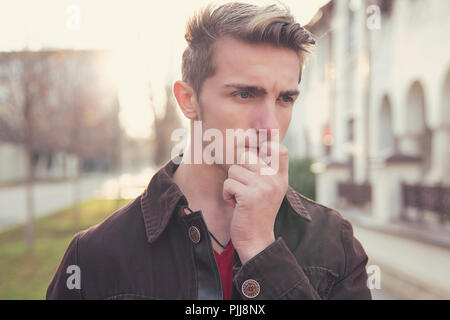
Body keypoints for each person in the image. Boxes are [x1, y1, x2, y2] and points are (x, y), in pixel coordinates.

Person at [47, 2, 372, 300]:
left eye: (285, 98)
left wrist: (262, 250)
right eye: (245, 94)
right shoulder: (93, 257)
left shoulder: (335, 244)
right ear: (188, 100)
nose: (269, 124)